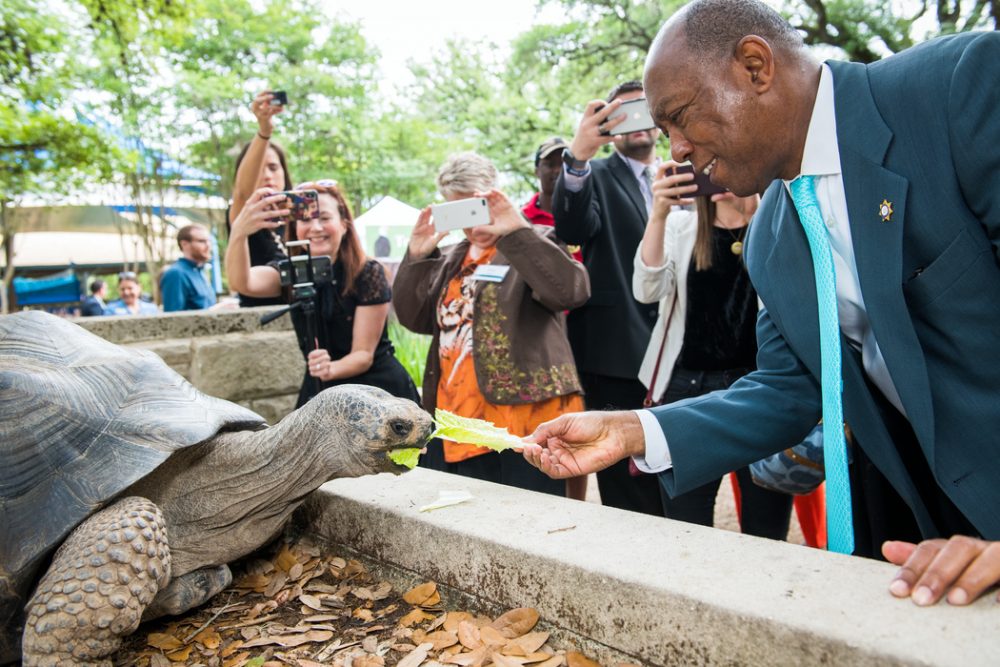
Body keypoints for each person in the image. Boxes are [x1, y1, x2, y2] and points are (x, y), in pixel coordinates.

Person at [524, 0, 1000, 606]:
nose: (675, 151)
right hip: (930, 531)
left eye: (679, 118)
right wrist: (634, 429)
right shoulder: (773, 234)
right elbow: (789, 386)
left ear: (755, 66)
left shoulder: (958, 90)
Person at [393, 152, 590, 498]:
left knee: (534, 523)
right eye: (459, 211)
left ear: (496, 197)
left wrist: (516, 232)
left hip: (528, 418)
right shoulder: (452, 257)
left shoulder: (535, 240)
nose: (472, 224)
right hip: (461, 419)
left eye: (477, 206)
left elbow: (570, 292)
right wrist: (417, 256)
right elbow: (415, 319)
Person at [635, 160, 796, 539]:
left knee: (766, 532)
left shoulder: (777, 221)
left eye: (724, 162)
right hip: (688, 389)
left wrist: (756, 206)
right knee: (687, 529)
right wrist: (658, 214)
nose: (716, 176)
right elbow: (646, 291)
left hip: (761, 389)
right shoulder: (681, 226)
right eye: (705, 168)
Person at [551, 82, 663, 516]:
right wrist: (578, 156)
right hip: (615, 350)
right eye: (623, 111)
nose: (635, 120)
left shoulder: (685, 173)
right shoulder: (592, 175)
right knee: (623, 479)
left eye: (644, 108)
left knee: (673, 472)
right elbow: (573, 228)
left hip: (681, 351)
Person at [226, 180, 419, 408]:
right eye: (306, 220)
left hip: (376, 393)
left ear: (344, 224)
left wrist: (330, 369)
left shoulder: (368, 273)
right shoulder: (293, 271)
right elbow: (242, 282)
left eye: (325, 218)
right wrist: (239, 232)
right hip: (320, 391)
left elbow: (363, 355)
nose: (315, 227)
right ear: (296, 227)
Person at [228, 90, 294, 308]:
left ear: (284, 173)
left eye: (274, 167)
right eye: (259, 170)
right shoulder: (245, 216)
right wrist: (265, 131)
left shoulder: (302, 219)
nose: (267, 175)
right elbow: (242, 193)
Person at [161, 224, 218, 312]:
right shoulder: (176, 274)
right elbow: (173, 318)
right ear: (184, 244)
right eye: (202, 241)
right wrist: (215, 310)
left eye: (209, 241)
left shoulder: (200, 272)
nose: (208, 246)